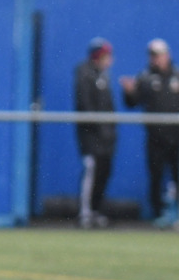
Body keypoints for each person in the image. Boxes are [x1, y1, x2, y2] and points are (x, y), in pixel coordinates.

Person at [121, 38, 179, 225]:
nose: (156, 59)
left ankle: (175, 213)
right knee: (156, 176)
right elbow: (132, 102)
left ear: (167, 55)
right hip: (156, 137)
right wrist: (129, 92)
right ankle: (158, 214)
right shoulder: (144, 77)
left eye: (159, 55)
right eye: (153, 55)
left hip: (177, 136)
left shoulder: (177, 75)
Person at [74, 37, 117, 229]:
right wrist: (99, 128)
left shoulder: (103, 76)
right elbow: (85, 105)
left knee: (104, 172)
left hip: (106, 137)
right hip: (91, 136)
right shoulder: (84, 74)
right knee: (91, 171)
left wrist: (110, 130)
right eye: (106, 55)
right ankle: (85, 213)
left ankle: (96, 210)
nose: (110, 60)